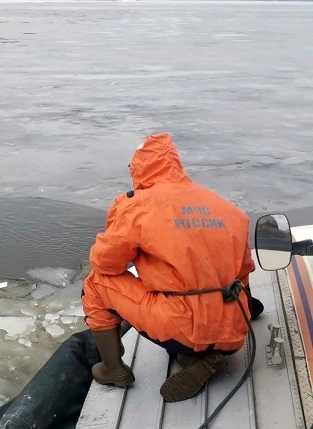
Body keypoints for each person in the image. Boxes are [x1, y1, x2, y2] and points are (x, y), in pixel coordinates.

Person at [81, 133, 258, 402]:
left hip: (183, 327)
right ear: (175, 164)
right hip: (235, 331)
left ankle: (113, 369)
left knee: (96, 283)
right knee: (210, 300)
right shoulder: (226, 207)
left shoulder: (136, 205)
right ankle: (203, 354)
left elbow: (106, 263)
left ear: (138, 169)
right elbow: (244, 271)